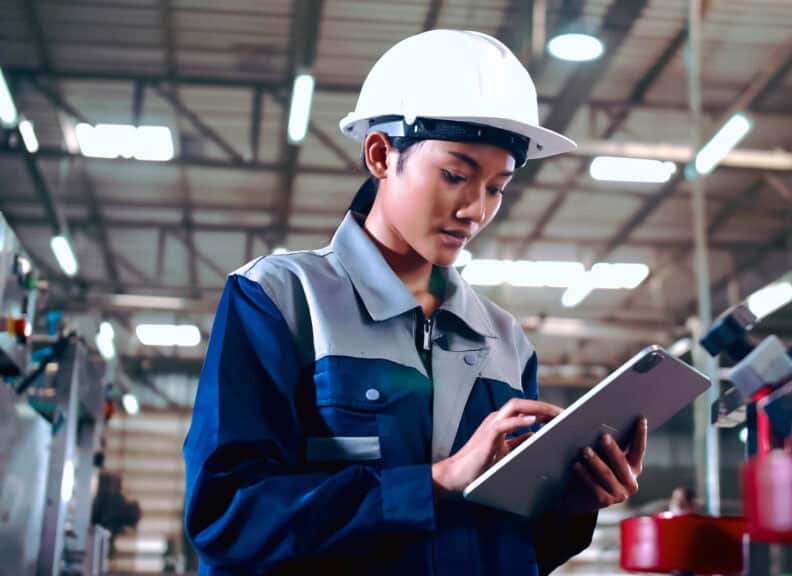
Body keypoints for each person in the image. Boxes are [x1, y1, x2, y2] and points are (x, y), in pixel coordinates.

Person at [183, 29, 647, 575]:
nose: (475, 210)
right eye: (456, 175)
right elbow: (228, 518)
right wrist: (435, 482)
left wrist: (571, 507)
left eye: (497, 187)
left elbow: (513, 547)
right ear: (381, 154)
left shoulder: (504, 340)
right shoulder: (281, 300)